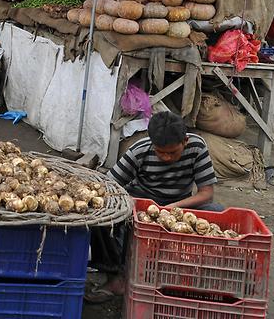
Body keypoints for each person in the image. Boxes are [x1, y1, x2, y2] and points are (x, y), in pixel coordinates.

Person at [86, 111, 220, 303]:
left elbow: (206, 194)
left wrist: (171, 209)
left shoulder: (197, 147)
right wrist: (131, 204)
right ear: (152, 143)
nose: (166, 157)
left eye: (172, 152)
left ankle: (199, 278)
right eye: (160, 152)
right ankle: (115, 278)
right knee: (100, 217)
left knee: (216, 212)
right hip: (141, 208)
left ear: (185, 142)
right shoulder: (139, 151)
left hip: (179, 210)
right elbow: (109, 187)